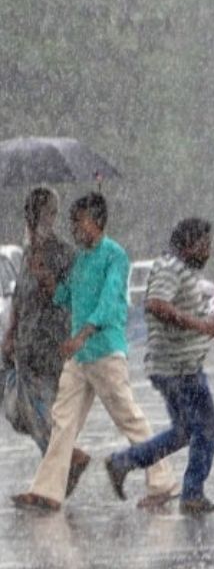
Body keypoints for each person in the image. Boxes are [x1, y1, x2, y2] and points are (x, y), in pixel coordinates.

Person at [11, 192, 177, 512]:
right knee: (63, 421)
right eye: (72, 222)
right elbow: (64, 296)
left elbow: (108, 303)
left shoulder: (114, 256)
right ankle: (47, 491)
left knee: (129, 418)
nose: (74, 229)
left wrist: (83, 334)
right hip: (79, 357)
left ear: (97, 222)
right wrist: (45, 277)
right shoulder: (81, 259)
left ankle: (163, 481)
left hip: (103, 352)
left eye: (79, 222)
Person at [105, 218, 214, 515]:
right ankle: (192, 493)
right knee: (207, 428)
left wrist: (209, 309)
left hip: (180, 367)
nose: (209, 252)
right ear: (187, 244)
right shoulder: (171, 267)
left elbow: (178, 304)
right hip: (178, 369)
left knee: (186, 430)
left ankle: (125, 462)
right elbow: (157, 304)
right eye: (204, 245)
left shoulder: (182, 270)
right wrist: (200, 324)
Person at [1, 188, 87, 480]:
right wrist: (11, 331)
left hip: (50, 343)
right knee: (26, 412)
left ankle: (61, 466)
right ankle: (61, 465)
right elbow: (20, 295)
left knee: (41, 409)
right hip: (26, 344)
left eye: (48, 213)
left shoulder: (62, 253)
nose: (42, 220)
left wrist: (48, 280)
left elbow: (75, 295)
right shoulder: (27, 253)